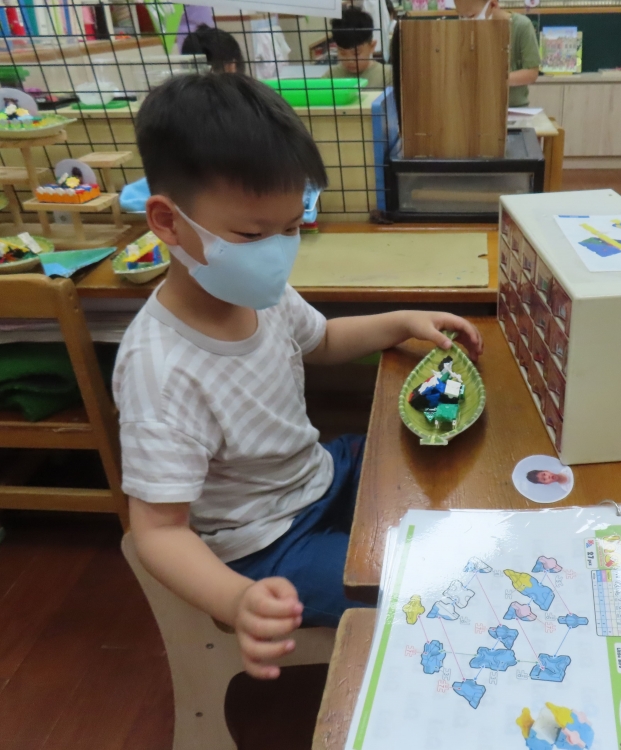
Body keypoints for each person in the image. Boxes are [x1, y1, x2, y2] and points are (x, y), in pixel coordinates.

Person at [117, 73, 483, 680]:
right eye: (253, 235)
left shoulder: (259, 292)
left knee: (427, 458)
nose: (277, 250)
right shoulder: (159, 369)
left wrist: (400, 322)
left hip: (317, 475)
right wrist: (237, 600)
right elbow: (156, 532)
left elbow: (325, 340)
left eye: (290, 228)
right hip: (263, 546)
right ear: (168, 221)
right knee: (423, 588)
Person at [454, 0, 541, 107]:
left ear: (493, 4)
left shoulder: (521, 26)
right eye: (461, 16)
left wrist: (493, 80)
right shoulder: (466, 31)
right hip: (477, 108)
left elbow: (531, 73)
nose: (466, 21)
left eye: (471, 15)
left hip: (514, 107)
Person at [323, 7, 393, 90]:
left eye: (356, 53)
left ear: (372, 46)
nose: (350, 61)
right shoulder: (330, 76)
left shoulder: (387, 75)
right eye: (343, 53)